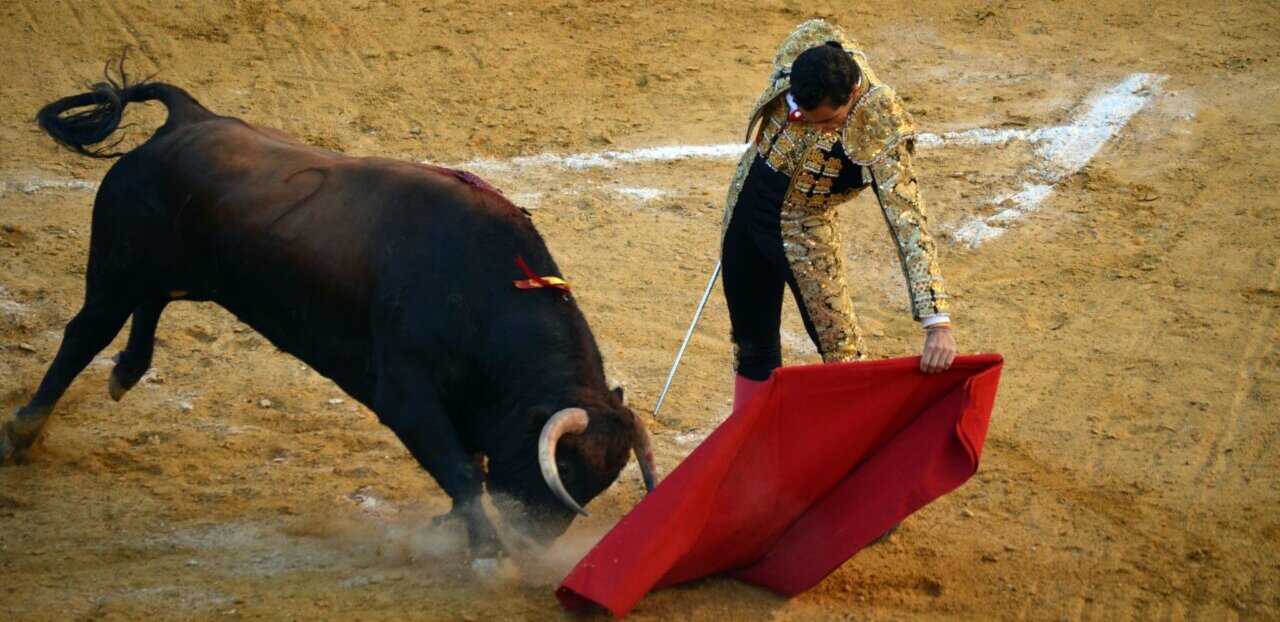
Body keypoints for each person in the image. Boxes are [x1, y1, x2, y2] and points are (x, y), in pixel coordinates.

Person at [721, 19, 957, 410]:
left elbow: (909, 221)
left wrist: (938, 323)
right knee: (750, 341)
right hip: (747, 201)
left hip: (805, 228)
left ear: (852, 92)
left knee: (841, 352)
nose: (820, 128)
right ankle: (752, 444)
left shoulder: (881, 122)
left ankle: (862, 443)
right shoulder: (808, 41)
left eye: (830, 121)